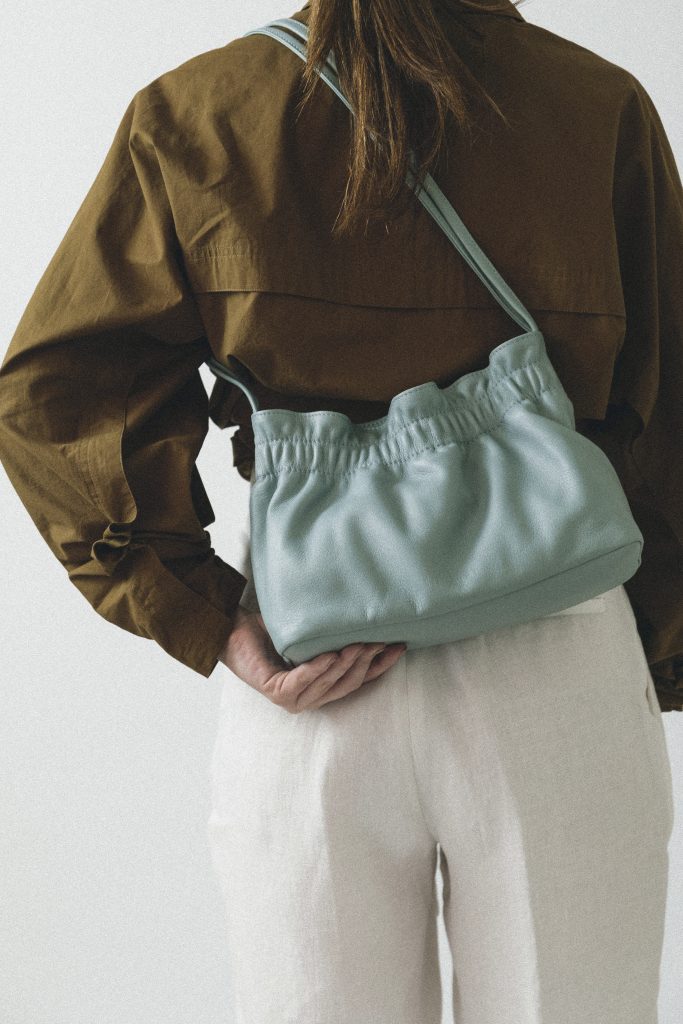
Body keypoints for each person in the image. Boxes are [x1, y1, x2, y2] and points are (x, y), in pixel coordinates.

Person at [0, 1, 679, 1021]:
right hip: (556, 639)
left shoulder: (197, 114)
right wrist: (654, 652)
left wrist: (204, 615)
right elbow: (670, 411)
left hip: (312, 656)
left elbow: (55, 395)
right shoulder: (593, 107)